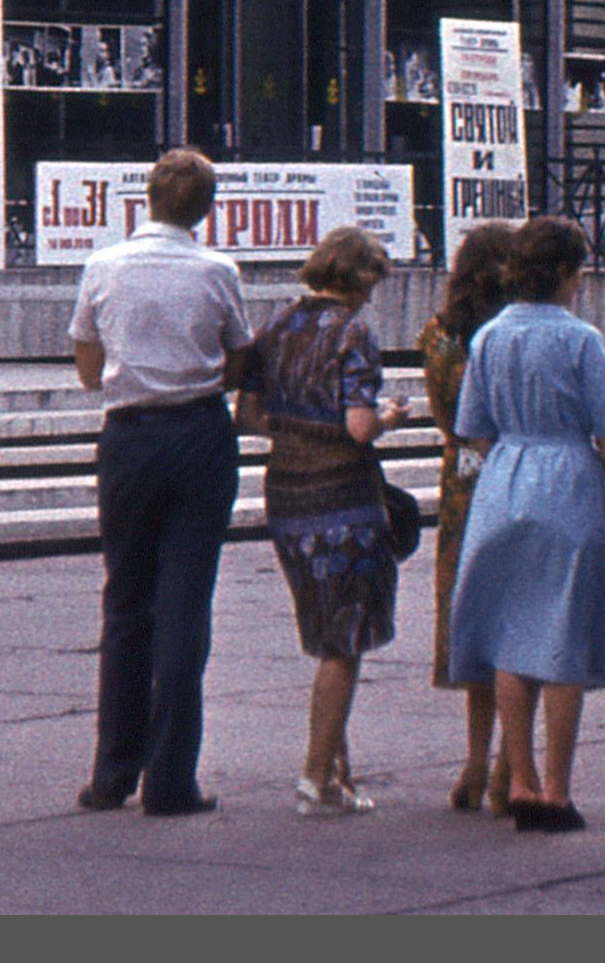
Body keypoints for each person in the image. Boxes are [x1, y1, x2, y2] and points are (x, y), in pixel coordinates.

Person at [70, 148, 251, 818]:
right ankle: (172, 777)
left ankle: (112, 770)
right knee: (185, 603)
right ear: (205, 208)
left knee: (126, 602)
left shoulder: (103, 267)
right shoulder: (217, 271)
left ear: (144, 198)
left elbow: (89, 368)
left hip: (129, 438)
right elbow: (237, 359)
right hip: (199, 433)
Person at [443, 216, 605, 833]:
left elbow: (472, 423)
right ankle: (556, 787)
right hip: (565, 473)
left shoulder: (490, 336)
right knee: (563, 636)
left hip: (503, 479)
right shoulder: (581, 340)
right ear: (565, 274)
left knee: (509, 633)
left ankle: (518, 778)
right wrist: (592, 478)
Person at [235, 225, 413, 816]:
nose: (371, 295)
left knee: (325, 626)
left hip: (286, 491)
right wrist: (388, 415)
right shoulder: (353, 333)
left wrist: (298, 425)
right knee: (344, 638)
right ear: (360, 277)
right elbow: (360, 427)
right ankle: (315, 777)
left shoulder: (277, 325)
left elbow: (249, 413)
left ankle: (337, 773)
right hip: (343, 493)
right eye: (372, 281)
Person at [417, 221, 520, 814]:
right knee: (520, 618)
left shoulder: (438, 333)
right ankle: (512, 762)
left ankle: (475, 761)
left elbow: (443, 418)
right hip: (514, 467)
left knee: (472, 615)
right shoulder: (513, 332)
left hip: (462, 478)